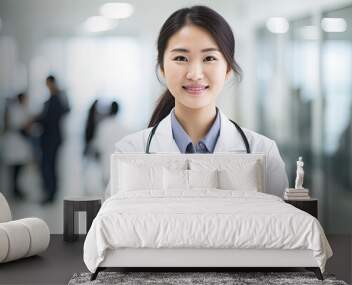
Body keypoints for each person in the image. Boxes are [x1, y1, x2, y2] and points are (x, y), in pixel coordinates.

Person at [109, 6, 289, 197]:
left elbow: (282, 226)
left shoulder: (263, 152)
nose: (195, 74)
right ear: (162, 67)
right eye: (181, 58)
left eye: (209, 58)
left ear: (228, 69)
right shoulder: (130, 152)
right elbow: (113, 224)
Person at [35, 75, 70, 204]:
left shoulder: (57, 98)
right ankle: (50, 191)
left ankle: (50, 192)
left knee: (49, 166)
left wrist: (36, 119)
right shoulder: (55, 98)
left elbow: (50, 118)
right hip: (51, 138)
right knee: (49, 166)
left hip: (51, 138)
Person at [2, 93, 33, 200]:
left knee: (19, 168)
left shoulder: (21, 109)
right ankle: (15, 191)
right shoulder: (15, 110)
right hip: (15, 142)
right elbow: (18, 125)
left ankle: (17, 190)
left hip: (19, 143)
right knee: (15, 169)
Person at [93, 101, 129, 185]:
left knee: (106, 190)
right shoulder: (123, 128)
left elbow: (99, 146)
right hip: (118, 165)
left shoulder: (103, 126)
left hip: (105, 163)